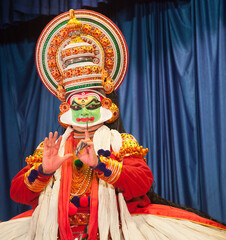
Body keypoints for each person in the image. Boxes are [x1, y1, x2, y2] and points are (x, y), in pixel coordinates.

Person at [0, 9, 226, 240]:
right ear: (65, 109)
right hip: (55, 230)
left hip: (116, 230)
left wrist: (101, 164)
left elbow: (142, 182)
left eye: (91, 104)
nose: (84, 111)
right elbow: (18, 193)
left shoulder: (121, 143)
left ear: (106, 105)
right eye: (77, 106)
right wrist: (44, 170)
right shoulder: (51, 148)